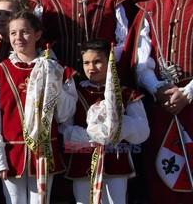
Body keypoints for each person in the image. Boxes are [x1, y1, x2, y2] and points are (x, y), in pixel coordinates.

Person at [0, 11, 77, 204]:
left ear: (37, 34)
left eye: (25, 32)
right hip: (10, 153)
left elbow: (64, 115)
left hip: (44, 152)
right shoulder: (0, 72)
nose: (18, 38)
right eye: (13, 33)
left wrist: (54, 82)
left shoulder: (56, 68)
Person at [127, 0, 193, 203]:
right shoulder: (150, 8)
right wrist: (158, 89)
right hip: (160, 109)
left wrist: (187, 93)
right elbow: (140, 62)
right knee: (160, 187)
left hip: (191, 104)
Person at [62, 39, 149, 204]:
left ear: (110, 62)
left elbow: (142, 133)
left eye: (97, 62)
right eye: (87, 63)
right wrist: (95, 135)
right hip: (82, 164)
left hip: (117, 163)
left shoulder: (126, 95)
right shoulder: (76, 94)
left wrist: (117, 125)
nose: (91, 68)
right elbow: (65, 134)